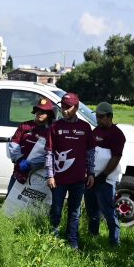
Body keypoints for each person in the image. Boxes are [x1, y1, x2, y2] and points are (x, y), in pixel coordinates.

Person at [44, 92, 95, 249]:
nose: (65, 110)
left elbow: (90, 153)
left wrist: (91, 173)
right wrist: (50, 175)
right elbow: (49, 153)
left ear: (77, 107)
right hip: (58, 179)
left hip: (79, 179)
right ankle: (54, 240)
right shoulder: (55, 127)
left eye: (68, 107)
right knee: (56, 211)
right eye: (63, 107)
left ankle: (72, 241)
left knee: (75, 212)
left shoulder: (85, 128)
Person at [85, 102, 126, 246]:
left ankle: (115, 241)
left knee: (109, 212)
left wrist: (103, 175)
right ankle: (93, 236)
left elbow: (116, 157)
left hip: (106, 180)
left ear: (110, 117)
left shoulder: (117, 135)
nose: (98, 119)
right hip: (91, 178)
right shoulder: (95, 131)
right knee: (91, 211)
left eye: (101, 116)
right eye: (96, 116)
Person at [7, 97, 55, 192]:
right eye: (38, 111)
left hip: (39, 173)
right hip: (19, 171)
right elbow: (13, 144)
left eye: (43, 112)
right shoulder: (24, 126)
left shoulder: (51, 130)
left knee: (33, 205)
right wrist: (20, 160)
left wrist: (34, 164)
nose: (40, 114)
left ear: (49, 114)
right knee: (10, 200)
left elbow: (51, 153)